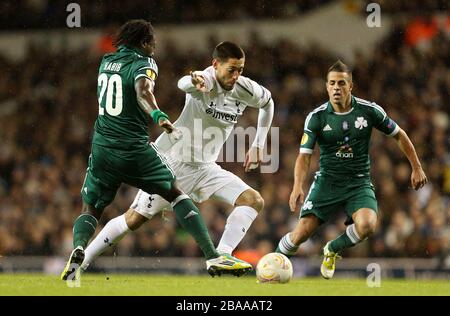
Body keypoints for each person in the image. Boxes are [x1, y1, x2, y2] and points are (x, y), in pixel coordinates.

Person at [60, 21, 251, 281]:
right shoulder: (145, 64)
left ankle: (79, 250)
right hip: (133, 148)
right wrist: (158, 115)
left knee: (91, 208)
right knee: (176, 194)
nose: (154, 48)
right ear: (144, 43)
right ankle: (212, 256)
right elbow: (143, 91)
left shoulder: (106, 61)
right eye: (153, 43)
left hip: (102, 146)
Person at [276, 61, 428, 279]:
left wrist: (417, 167)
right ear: (326, 86)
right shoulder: (317, 117)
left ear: (351, 86)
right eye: (332, 83)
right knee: (300, 234)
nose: (336, 88)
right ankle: (273, 262)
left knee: (367, 225)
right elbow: (304, 157)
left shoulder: (369, 111)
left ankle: (332, 249)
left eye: (341, 83)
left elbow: (399, 134)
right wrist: (297, 186)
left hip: (358, 182)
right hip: (327, 182)